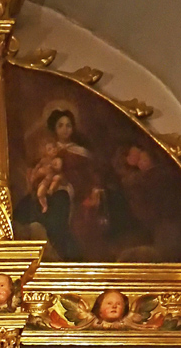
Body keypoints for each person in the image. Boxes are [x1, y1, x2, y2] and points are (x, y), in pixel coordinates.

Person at [14, 108, 112, 261]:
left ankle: (64, 253)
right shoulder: (48, 150)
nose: (65, 129)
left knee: (58, 208)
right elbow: (38, 169)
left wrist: (92, 187)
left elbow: (91, 175)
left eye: (68, 125)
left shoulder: (81, 152)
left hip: (70, 189)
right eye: (60, 125)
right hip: (46, 188)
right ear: (55, 128)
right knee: (25, 206)